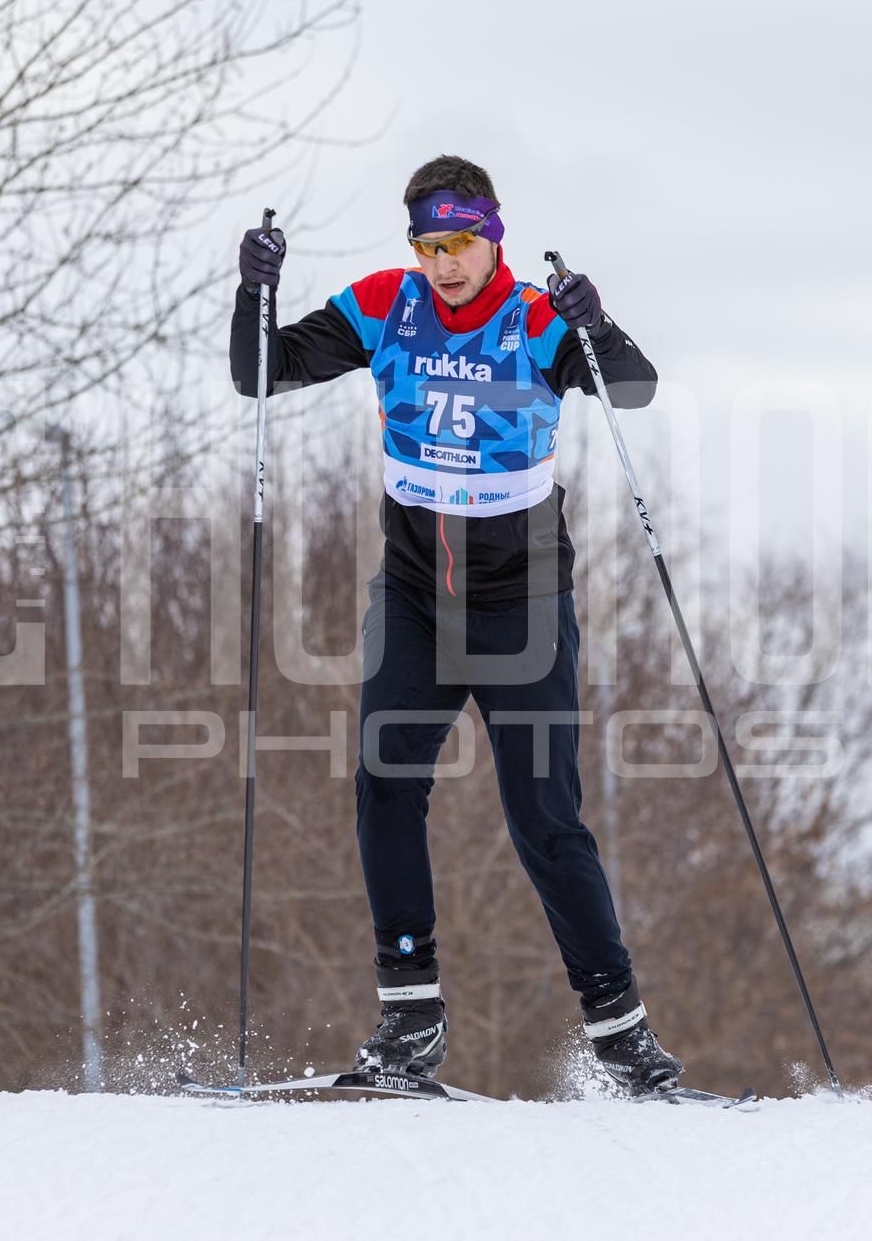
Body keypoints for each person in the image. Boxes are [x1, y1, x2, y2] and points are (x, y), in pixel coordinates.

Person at [228, 154, 684, 1094]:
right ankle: (410, 1020)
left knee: (546, 820)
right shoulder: (385, 306)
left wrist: (599, 323)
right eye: (429, 245)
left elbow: (632, 389)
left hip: (522, 603)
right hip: (414, 597)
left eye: (460, 243)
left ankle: (622, 1036)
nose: (444, 263)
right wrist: (253, 292)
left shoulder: (537, 319)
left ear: (494, 237)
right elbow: (258, 374)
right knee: (383, 786)